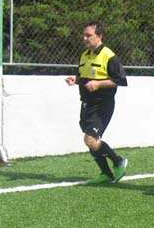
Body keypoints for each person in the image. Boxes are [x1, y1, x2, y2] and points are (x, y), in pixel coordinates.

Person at [65, 21, 128, 184]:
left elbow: (120, 80)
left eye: (88, 35)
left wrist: (99, 84)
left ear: (99, 36)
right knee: (91, 141)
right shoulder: (84, 55)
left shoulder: (109, 55)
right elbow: (85, 78)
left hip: (102, 104)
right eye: (84, 35)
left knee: (91, 140)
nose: (84, 38)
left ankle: (118, 161)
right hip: (86, 102)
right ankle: (106, 173)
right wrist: (76, 79)